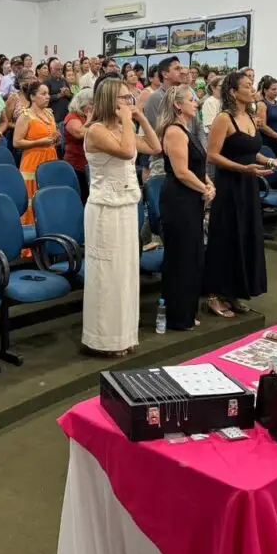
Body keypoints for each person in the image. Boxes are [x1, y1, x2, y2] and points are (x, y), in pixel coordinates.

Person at [82, 77, 160, 356]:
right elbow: (128, 151)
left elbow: (155, 147)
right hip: (105, 210)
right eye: (125, 98)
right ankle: (102, 340)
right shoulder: (95, 131)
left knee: (125, 274)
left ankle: (123, 336)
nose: (130, 102)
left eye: (131, 98)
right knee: (107, 275)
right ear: (110, 101)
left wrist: (140, 117)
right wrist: (129, 119)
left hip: (126, 207)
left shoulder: (121, 127)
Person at [205, 72, 277, 316]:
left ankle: (235, 291)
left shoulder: (250, 118)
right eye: (248, 86)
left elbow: (252, 153)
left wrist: (271, 162)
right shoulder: (224, 119)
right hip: (230, 186)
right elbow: (212, 155)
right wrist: (243, 168)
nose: (253, 90)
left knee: (246, 237)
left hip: (248, 185)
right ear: (233, 91)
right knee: (227, 238)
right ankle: (214, 294)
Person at [159, 85, 215, 330]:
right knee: (181, 257)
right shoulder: (174, 131)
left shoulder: (188, 130)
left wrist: (209, 184)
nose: (196, 103)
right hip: (179, 199)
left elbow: (199, 167)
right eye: (191, 100)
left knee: (193, 256)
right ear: (178, 105)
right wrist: (204, 189)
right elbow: (181, 172)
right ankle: (177, 316)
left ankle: (187, 311)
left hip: (191, 197)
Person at [14, 80, 60, 225]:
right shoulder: (26, 116)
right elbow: (17, 142)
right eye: (43, 94)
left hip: (50, 159)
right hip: (32, 162)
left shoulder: (49, 114)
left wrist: (56, 139)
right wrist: (39, 142)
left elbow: (51, 137)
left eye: (48, 94)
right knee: (32, 199)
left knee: (49, 198)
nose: (47, 97)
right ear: (33, 97)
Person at [143, 57, 197, 177]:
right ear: (165, 74)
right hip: (166, 162)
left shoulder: (186, 96)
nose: (182, 72)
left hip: (189, 157)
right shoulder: (155, 98)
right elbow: (156, 133)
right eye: (177, 69)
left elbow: (196, 126)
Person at [63, 88, 93, 201]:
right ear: (82, 103)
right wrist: (90, 120)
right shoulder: (72, 117)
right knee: (82, 196)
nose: (93, 106)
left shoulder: (89, 116)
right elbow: (80, 133)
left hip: (90, 162)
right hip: (76, 164)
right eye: (91, 103)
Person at [256, 76, 277, 155]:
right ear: (265, 90)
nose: (276, 91)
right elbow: (262, 126)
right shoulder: (262, 104)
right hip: (268, 140)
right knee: (269, 164)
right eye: (273, 89)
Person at [45, 59, 71, 126]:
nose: (59, 71)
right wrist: (59, 95)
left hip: (66, 115)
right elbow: (45, 99)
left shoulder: (64, 81)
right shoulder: (47, 82)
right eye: (57, 69)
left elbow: (71, 96)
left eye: (61, 69)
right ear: (51, 69)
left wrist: (68, 94)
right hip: (55, 117)